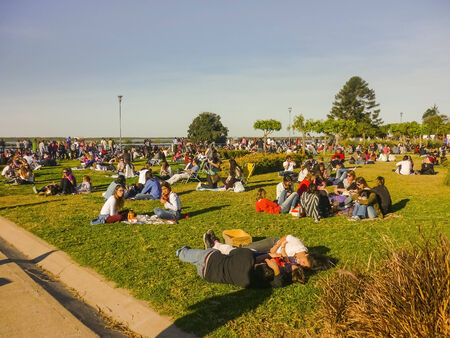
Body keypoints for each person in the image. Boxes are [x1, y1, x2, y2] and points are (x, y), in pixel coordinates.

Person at [177, 244, 292, 288]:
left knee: (184, 253)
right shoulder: (252, 282)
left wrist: (268, 255)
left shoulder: (246, 255)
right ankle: (186, 251)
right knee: (196, 259)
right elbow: (278, 283)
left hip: (209, 258)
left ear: (262, 263)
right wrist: (276, 270)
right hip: (206, 274)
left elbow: (231, 252)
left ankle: (182, 250)